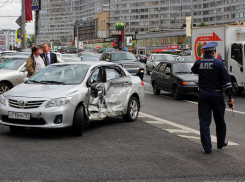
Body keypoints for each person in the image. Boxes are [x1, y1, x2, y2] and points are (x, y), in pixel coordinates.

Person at [191, 42, 234, 154]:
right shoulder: (219, 63)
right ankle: (220, 143)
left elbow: (194, 70)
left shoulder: (199, 63)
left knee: (204, 122)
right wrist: (230, 97)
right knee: (220, 120)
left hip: (203, 94)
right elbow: (227, 82)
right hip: (217, 95)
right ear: (214, 52)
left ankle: (207, 147)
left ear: (204, 53)